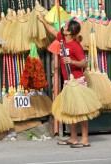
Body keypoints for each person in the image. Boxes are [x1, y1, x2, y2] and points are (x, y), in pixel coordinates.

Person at [38, 14, 91, 148]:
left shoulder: (75, 46)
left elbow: (85, 63)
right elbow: (53, 30)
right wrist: (43, 20)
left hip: (78, 81)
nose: (63, 27)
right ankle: (73, 138)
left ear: (69, 32)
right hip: (68, 82)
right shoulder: (62, 40)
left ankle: (84, 139)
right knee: (71, 110)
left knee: (81, 111)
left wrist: (72, 61)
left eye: (65, 26)